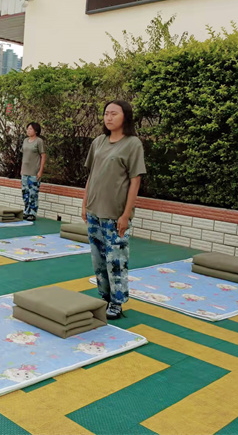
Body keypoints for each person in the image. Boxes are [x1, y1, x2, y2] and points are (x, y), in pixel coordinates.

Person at [82, 100, 145, 320]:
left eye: (114, 114)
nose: (109, 118)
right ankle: (105, 296)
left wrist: (126, 214)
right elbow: (92, 175)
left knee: (116, 259)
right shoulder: (98, 142)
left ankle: (117, 302)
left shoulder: (133, 144)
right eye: (106, 113)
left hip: (115, 213)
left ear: (125, 117)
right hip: (94, 210)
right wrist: (84, 203)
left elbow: (135, 181)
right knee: (98, 259)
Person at [21, 122, 47, 221]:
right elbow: (24, 155)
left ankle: (32, 212)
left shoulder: (39, 141)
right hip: (25, 171)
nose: (28, 131)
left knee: (33, 193)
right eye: (28, 129)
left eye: (31, 129)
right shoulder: (25, 141)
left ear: (36, 131)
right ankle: (26, 211)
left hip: (34, 172)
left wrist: (40, 171)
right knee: (25, 192)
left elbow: (43, 155)